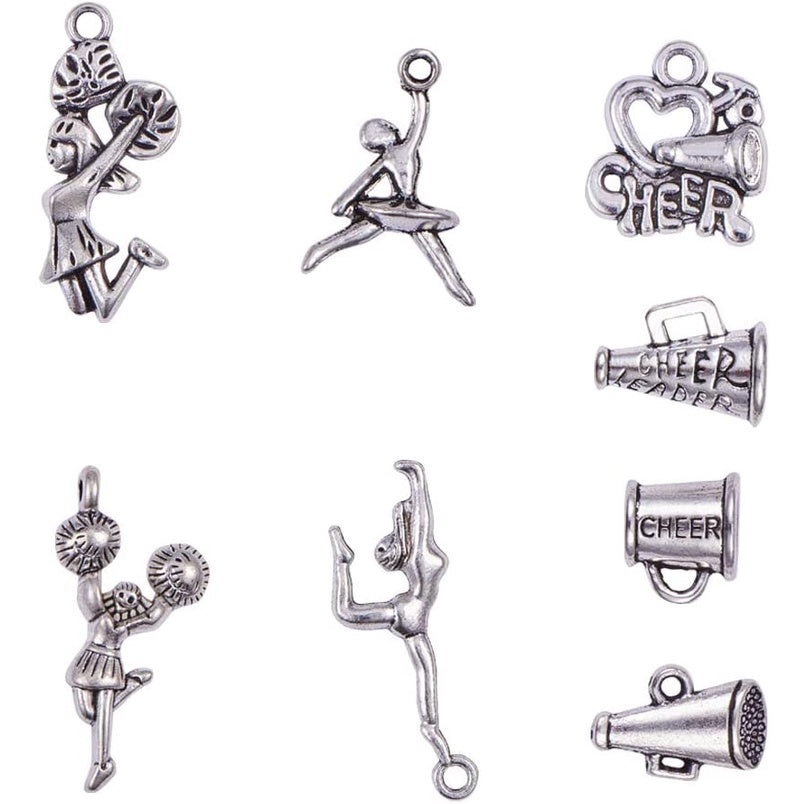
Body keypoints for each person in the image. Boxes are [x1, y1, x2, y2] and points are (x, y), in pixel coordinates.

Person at [302, 74, 474, 306]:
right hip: (405, 209)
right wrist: (418, 93)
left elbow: (358, 186)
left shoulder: (386, 159)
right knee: (431, 245)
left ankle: (320, 249)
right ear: (382, 136)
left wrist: (343, 206)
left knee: (367, 229)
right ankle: (456, 287)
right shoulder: (403, 150)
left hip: (399, 210)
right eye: (385, 127)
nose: (393, 127)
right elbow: (420, 120)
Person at [329, 460, 458, 768]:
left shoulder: (418, 562)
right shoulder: (421, 558)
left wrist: (417, 480)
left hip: (409, 617)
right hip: (411, 614)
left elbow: (419, 520)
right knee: (348, 613)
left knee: (347, 612)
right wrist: (416, 479)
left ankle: (342, 561)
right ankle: (434, 735)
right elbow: (422, 519)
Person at [42, 114, 166, 321]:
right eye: (50, 143)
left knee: (105, 308)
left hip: (83, 246)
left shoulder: (83, 183)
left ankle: (137, 257)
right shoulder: (65, 185)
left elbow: (107, 158)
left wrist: (135, 124)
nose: (50, 151)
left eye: (58, 144)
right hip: (61, 248)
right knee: (78, 307)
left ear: (78, 147)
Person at [68, 571, 172, 791]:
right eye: (121, 594)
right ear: (113, 595)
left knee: (103, 714)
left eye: (131, 599)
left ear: (136, 604)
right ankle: (131, 684)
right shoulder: (97, 613)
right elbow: (87, 595)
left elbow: (152, 619)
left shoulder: (129, 625)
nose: (125, 600)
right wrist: (91, 570)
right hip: (87, 662)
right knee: (88, 714)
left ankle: (102, 764)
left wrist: (168, 599)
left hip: (110, 668)